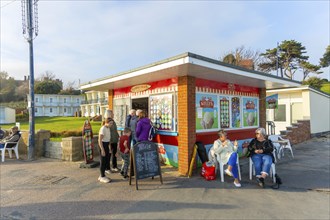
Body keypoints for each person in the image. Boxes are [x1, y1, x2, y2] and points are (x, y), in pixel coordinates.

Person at [97, 118, 112, 183]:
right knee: (103, 161)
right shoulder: (103, 129)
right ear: (106, 122)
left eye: (112, 123)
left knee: (106, 161)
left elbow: (108, 139)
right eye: (110, 123)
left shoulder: (108, 128)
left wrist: (109, 148)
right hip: (102, 145)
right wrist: (102, 150)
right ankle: (102, 176)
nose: (111, 125)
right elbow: (99, 140)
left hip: (106, 144)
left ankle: (102, 175)